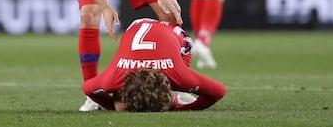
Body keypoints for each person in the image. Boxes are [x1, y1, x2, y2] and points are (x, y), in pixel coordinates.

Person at [82, 18, 226, 111]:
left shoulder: (177, 74)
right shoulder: (116, 77)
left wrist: (177, 107)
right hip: (138, 26)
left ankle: (179, 94)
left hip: (176, 35)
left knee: (173, 90)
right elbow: (219, 91)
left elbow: (88, 88)